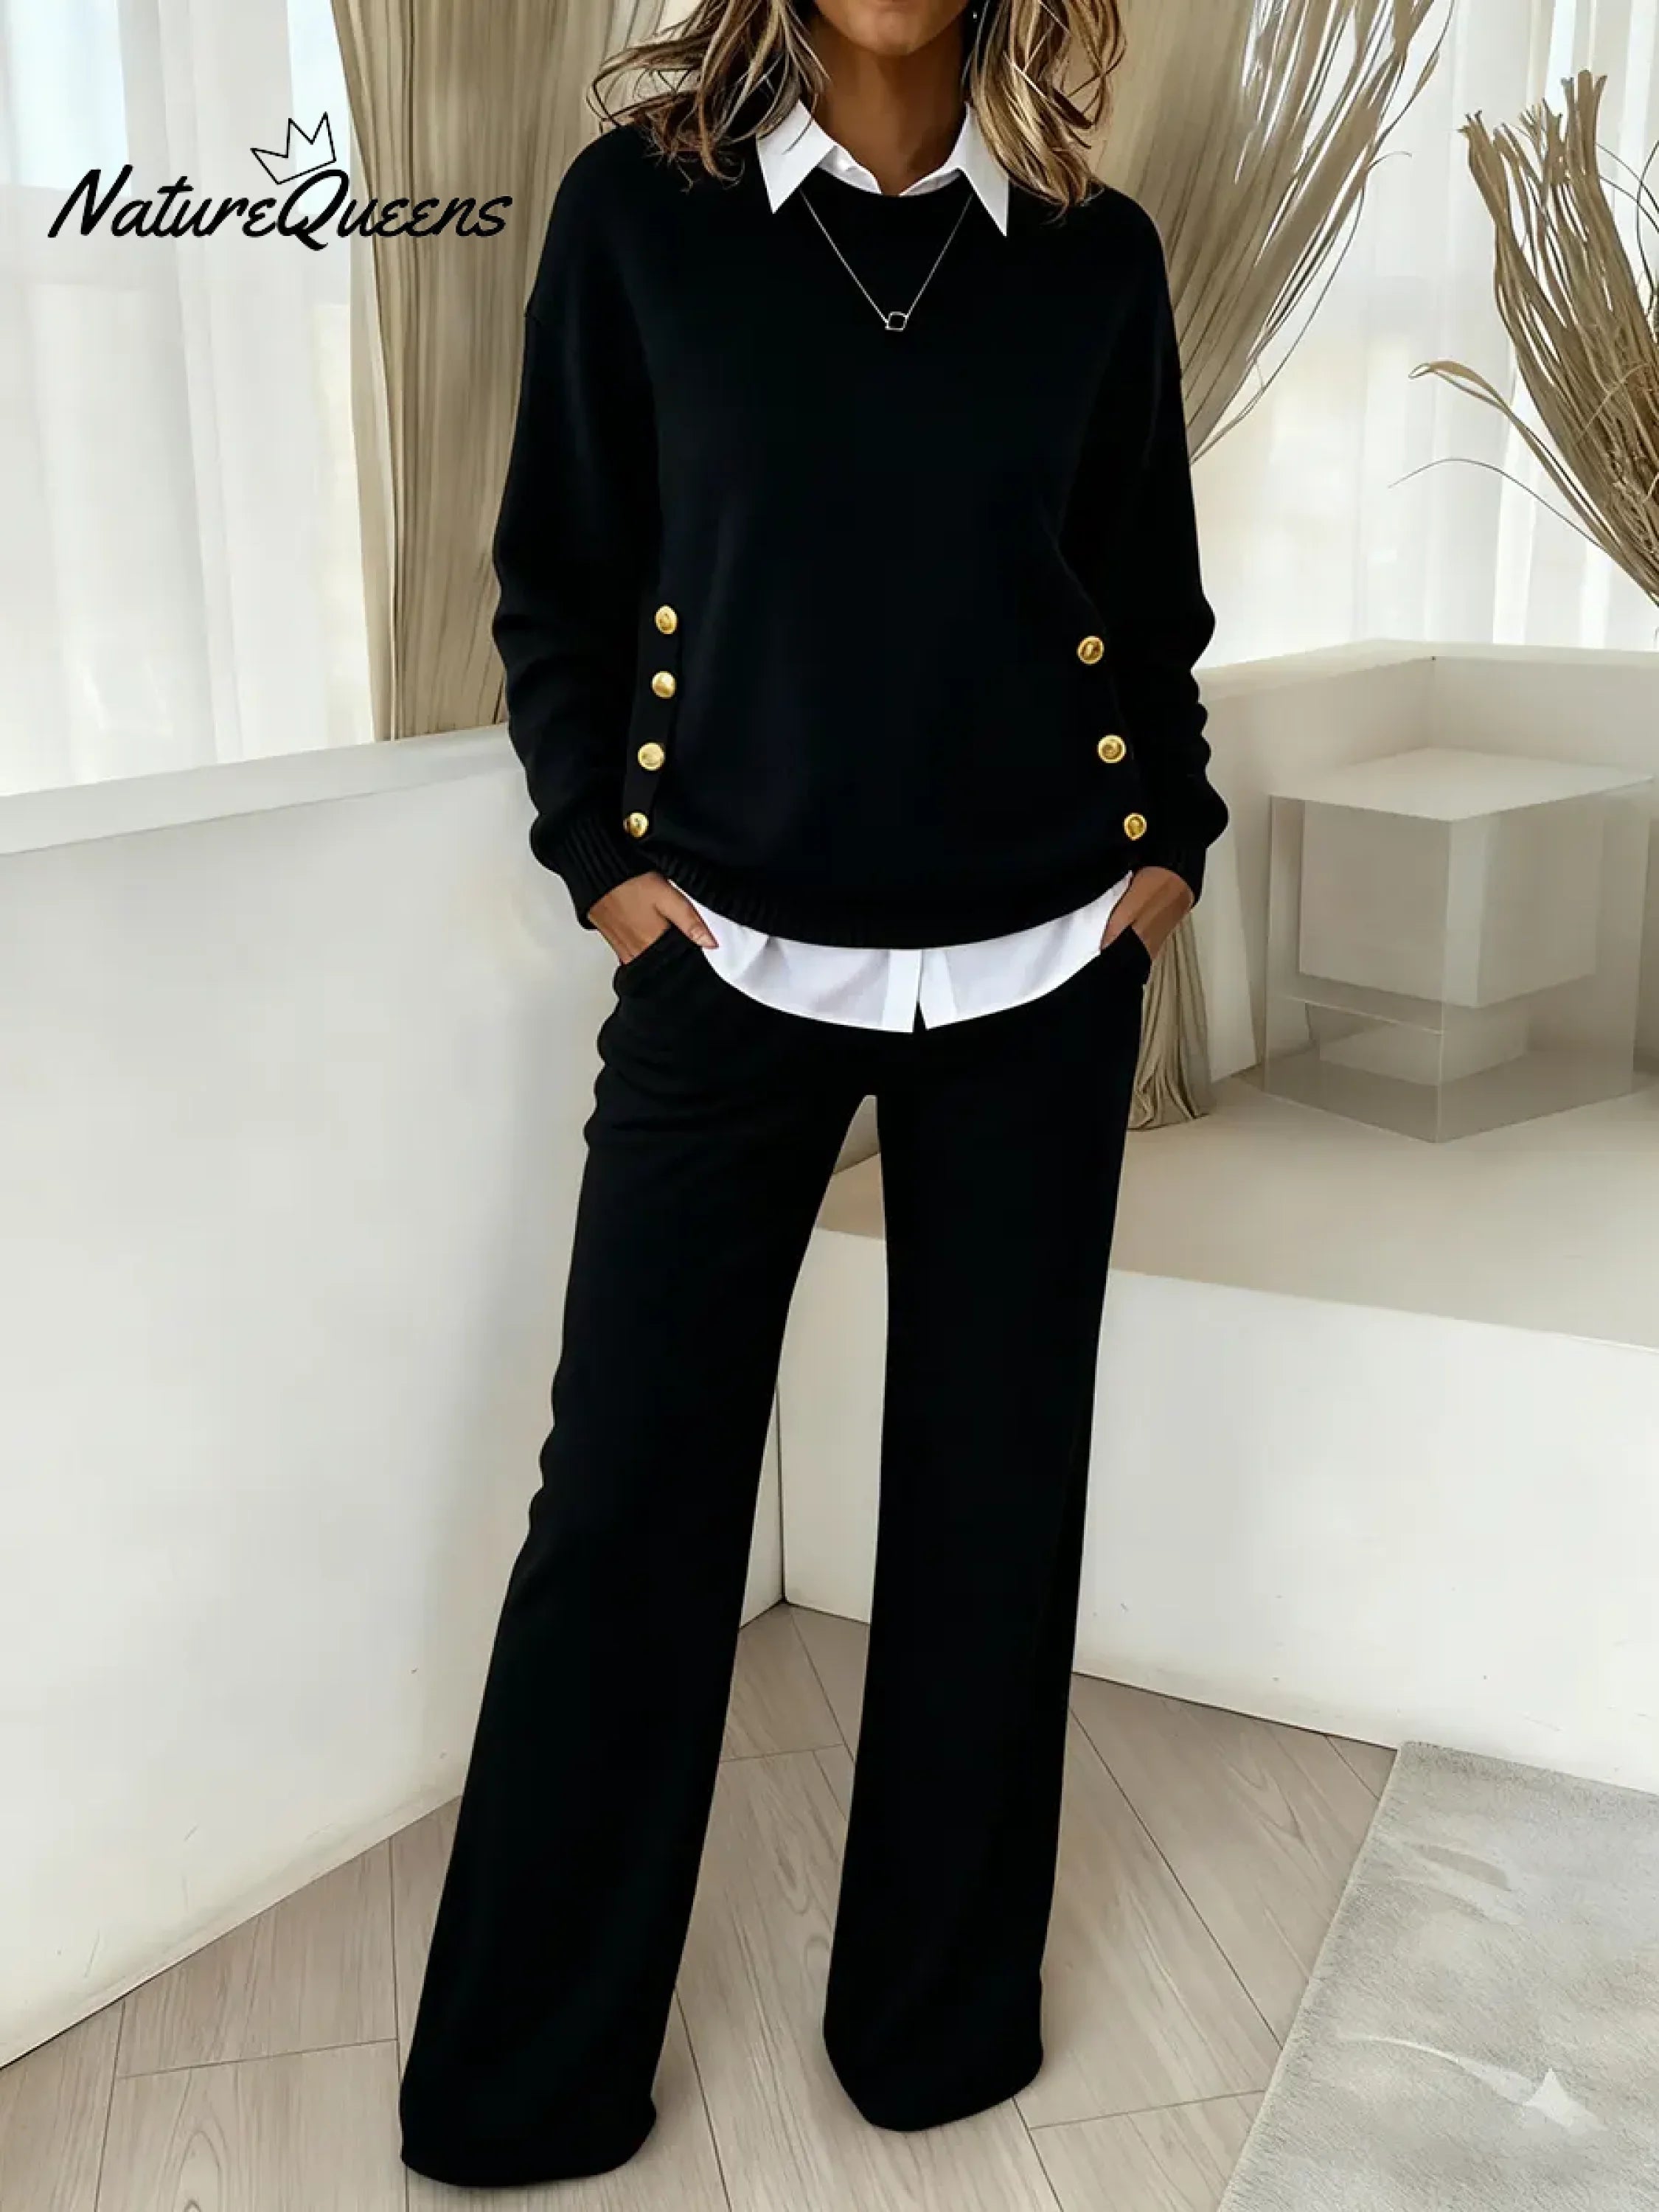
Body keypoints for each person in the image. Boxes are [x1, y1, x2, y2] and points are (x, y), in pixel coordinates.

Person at [397, 0, 1227, 2185]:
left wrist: (1163, 847)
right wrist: (607, 864)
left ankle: (936, 2035)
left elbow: (1147, 597)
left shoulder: (1092, 253)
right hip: (728, 958)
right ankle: (524, 2084)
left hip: (1043, 958)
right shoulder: (643, 219)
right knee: (628, 1510)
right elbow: (558, 582)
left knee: (989, 1509)